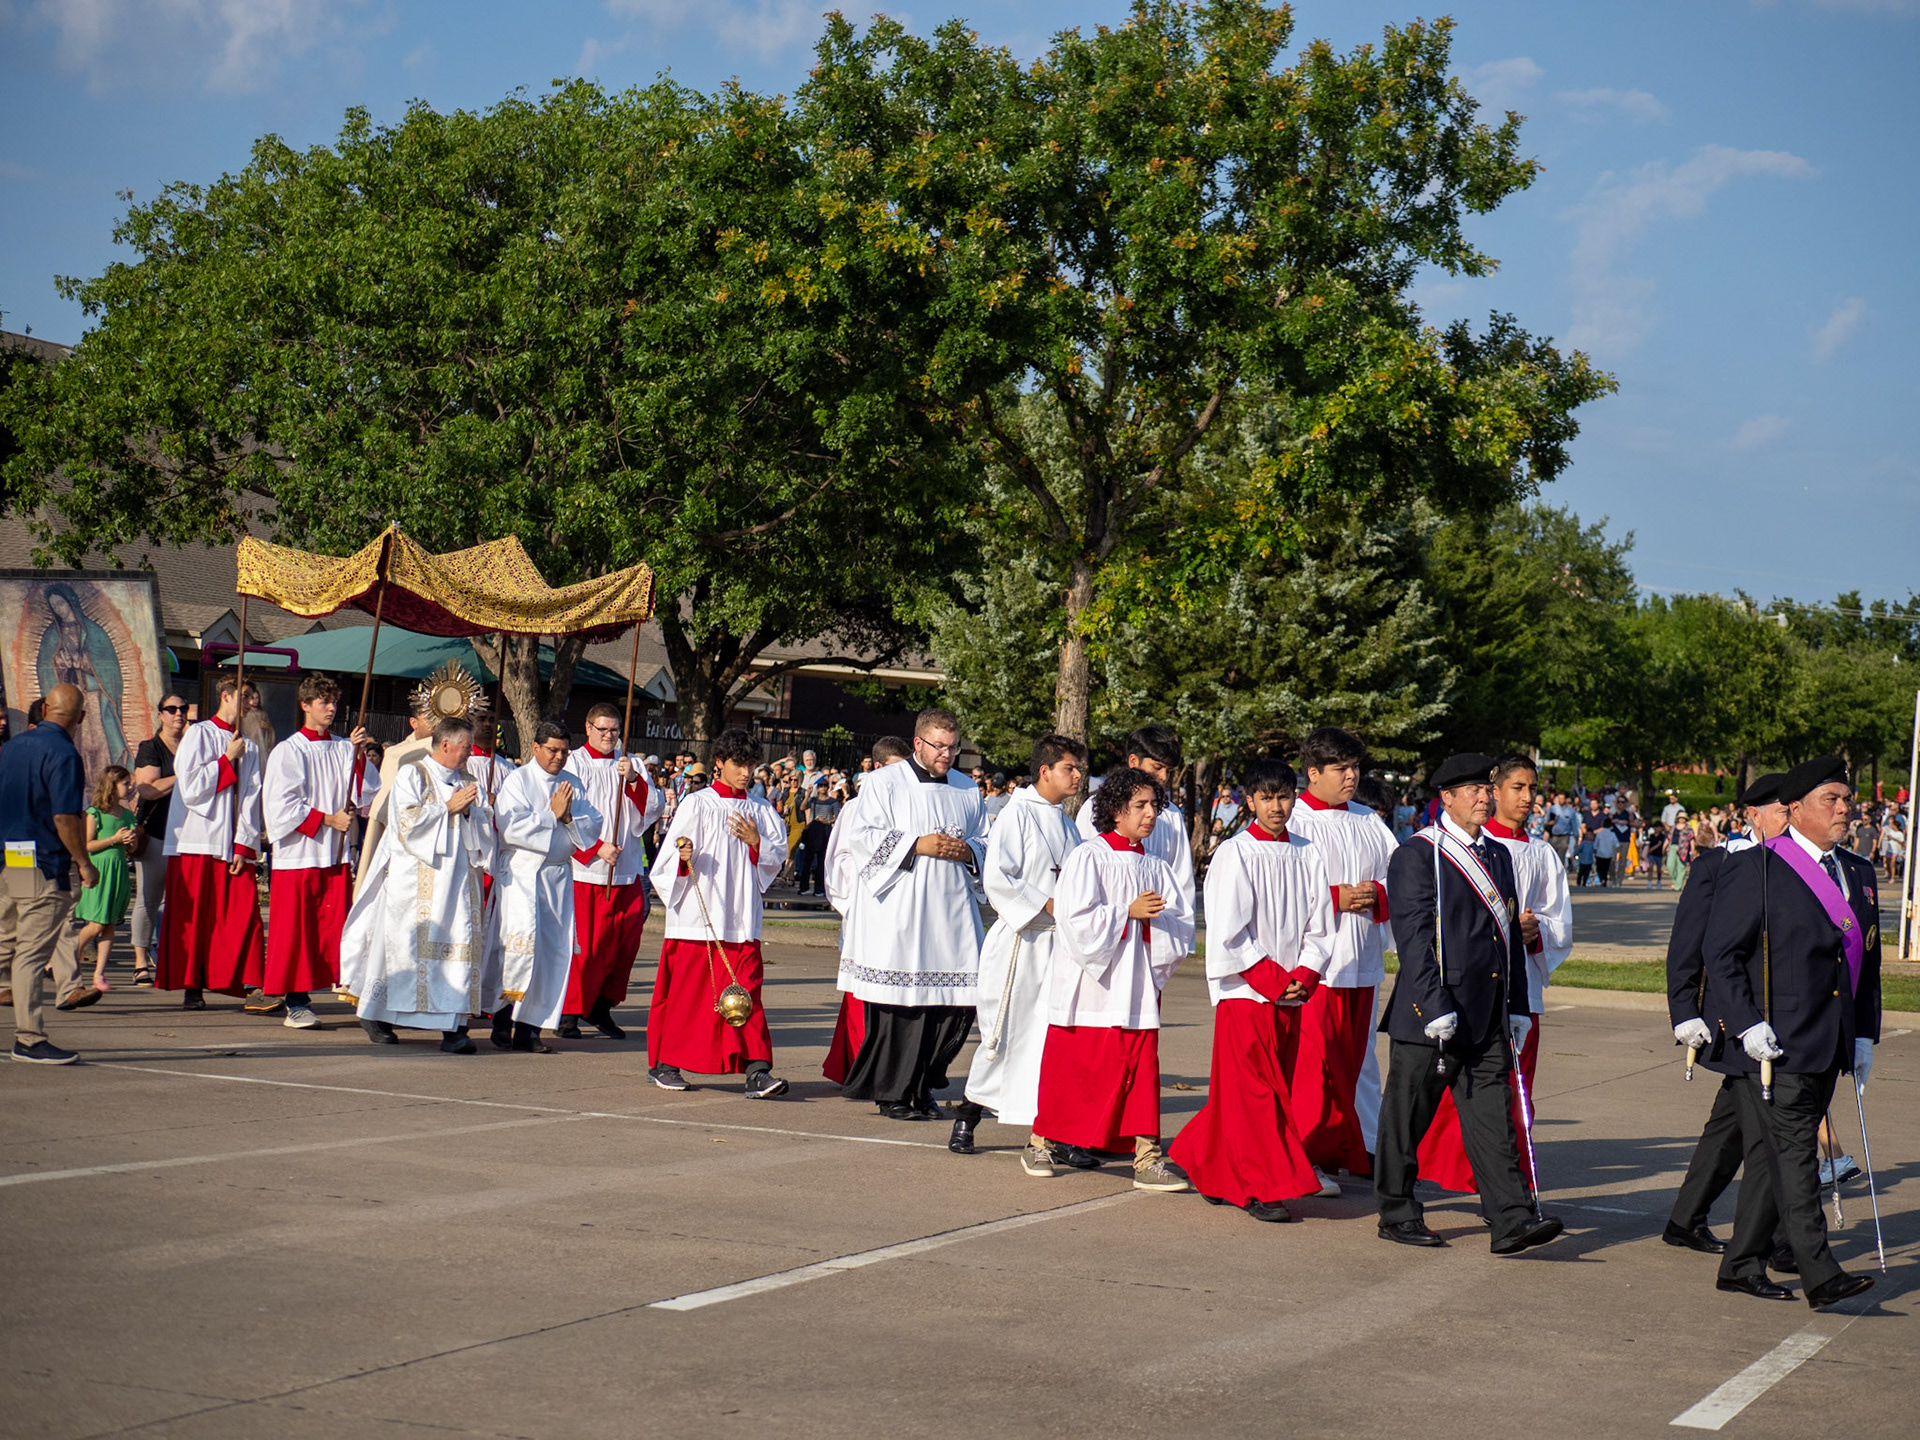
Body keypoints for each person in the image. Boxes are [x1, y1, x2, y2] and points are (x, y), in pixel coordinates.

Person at [1700, 756, 1879, 1308]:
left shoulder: (1857, 870)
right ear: (1796, 809)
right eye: (1832, 799)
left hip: (1832, 1038)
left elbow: (1866, 963)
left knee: (1777, 1160)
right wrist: (1747, 1024)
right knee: (1799, 1157)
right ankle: (1820, 1273)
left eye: (1847, 799)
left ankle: (1740, 1263)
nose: (1845, 808)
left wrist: (1866, 1033)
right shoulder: (1756, 867)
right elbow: (1721, 954)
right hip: (1775, 1043)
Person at [1374, 752, 1562, 1255]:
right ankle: (1396, 1211)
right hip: (1431, 1017)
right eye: (1472, 790)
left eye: (1486, 787)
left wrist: (1517, 1005)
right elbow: (1412, 939)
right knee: (1406, 1119)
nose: (1484, 796)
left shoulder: (1498, 855)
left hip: (1487, 1015)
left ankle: (1511, 1219)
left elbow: (1506, 941)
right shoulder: (1419, 854)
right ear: (1447, 799)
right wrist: (1434, 1005)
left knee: (1493, 1121)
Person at [1170, 759, 1333, 1220]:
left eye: (1284, 796)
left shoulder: (1308, 852)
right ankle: (1259, 1186)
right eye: (1266, 798)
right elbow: (1228, 930)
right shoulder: (1235, 853)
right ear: (1250, 801)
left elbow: (1321, 926)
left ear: (1295, 797)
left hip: (1291, 993)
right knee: (1257, 1096)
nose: (1277, 806)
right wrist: (1273, 980)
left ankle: (1205, 1161)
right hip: (1246, 993)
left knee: (1253, 1093)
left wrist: (1305, 974)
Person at [1031, 765, 1194, 1191]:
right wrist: (1126, 912)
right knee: (1074, 1068)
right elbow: (1073, 919)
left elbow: (1179, 923)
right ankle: (1040, 1141)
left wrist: (1157, 932)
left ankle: (1146, 1157)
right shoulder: (1088, 855)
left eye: (1154, 805)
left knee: (1140, 1070)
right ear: (1115, 810)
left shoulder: (1157, 866)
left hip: (1136, 985)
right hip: (1091, 985)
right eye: (1140, 805)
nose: (1150, 814)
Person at [1418, 753, 1572, 1195]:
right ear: (1494, 791)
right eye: (1516, 788)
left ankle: (1507, 1176)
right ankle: (1454, 1167)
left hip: (1520, 988)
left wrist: (1536, 930)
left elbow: (1560, 920)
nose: (1526, 798)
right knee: (1465, 1087)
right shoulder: (1463, 848)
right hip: (1469, 985)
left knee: (1515, 1087)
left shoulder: (1541, 853)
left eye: (1531, 789)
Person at [838, 708, 987, 1121]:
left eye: (953, 746)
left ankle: (923, 1085)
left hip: (952, 912)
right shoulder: (884, 782)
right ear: (918, 742)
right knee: (905, 1006)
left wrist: (970, 851)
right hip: (902, 911)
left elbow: (985, 841)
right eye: (939, 746)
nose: (947, 755)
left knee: (955, 1006)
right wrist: (916, 844)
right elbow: (863, 837)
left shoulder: (965, 789)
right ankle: (894, 1092)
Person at [1663, 773, 1787, 1257]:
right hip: (1733, 1018)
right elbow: (1688, 942)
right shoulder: (1718, 865)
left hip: (1779, 1018)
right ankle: (1778, 1239)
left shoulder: (1797, 866)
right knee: (1772, 1134)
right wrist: (1682, 1008)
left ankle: (1685, 1218)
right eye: (1781, 810)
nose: (1789, 818)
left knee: (1731, 1126)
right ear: (1753, 815)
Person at [955, 734, 1087, 1160]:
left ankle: (1056, 1131)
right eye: (1070, 768)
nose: (1078, 776)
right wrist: (1049, 903)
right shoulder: (1016, 814)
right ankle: (967, 1115)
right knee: (1005, 1035)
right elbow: (998, 878)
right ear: (1045, 771)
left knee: (1053, 1040)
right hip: (1021, 941)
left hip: (1058, 945)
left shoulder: (1067, 822)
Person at [337, 714, 496, 1052]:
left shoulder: (467, 778)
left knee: (458, 947)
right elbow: (406, 823)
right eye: (465, 747)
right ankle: (376, 1014)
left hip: (458, 882)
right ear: (445, 744)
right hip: (418, 882)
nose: (470, 753)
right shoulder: (414, 773)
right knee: (400, 951)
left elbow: (482, 826)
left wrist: (472, 814)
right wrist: (448, 808)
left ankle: (454, 1028)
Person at [645, 727, 790, 1095]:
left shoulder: (761, 810)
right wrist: (683, 859)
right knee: (689, 996)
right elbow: (667, 861)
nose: (746, 773)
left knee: (748, 994)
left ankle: (758, 1070)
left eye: (752, 766)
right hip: (699, 916)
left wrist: (757, 843)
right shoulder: (698, 804)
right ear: (720, 763)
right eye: (738, 764)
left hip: (742, 919)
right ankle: (666, 1064)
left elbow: (777, 858)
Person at [1284, 727, 1397, 1188]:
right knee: (1314, 1065)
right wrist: (1335, 896)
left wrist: (1377, 894)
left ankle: (1363, 1145)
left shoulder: (1369, 821)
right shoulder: (1293, 823)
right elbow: (1281, 891)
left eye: (1355, 768)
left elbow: (1401, 879)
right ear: (1313, 773)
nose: (1352, 777)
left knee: (1359, 1060)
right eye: (1341, 769)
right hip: (1317, 965)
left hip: (1362, 958)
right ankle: (1305, 1154)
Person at [260, 674, 374, 1030]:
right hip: (300, 855)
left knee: (332, 930)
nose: (330, 708)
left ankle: (345, 990)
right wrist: (328, 819)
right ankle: (295, 1002)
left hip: (334, 855)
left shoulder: (343, 746)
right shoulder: (288, 750)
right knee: (296, 932)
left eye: (334, 702)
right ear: (305, 705)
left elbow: (367, 793)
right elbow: (279, 805)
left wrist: (357, 758)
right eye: (323, 702)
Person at [492, 722, 603, 1053]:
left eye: (564, 751)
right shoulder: (518, 780)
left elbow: (592, 825)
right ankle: (501, 1022)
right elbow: (510, 828)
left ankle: (529, 1030)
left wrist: (568, 819)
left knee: (550, 953)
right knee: (517, 949)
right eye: (552, 750)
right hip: (523, 876)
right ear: (535, 747)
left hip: (557, 876)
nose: (559, 757)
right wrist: (550, 816)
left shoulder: (573, 783)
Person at [157, 675, 266, 1008]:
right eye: (244, 696)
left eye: (253, 698)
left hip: (231, 842)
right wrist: (226, 758)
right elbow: (190, 788)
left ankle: (252, 982)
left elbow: (252, 797)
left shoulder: (252, 744)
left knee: (244, 913)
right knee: (197, 919)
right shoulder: (199, 733)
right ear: (226, 696)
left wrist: (244, 845)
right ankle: (194, 985)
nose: (250, 703)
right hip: (197, 840)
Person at [1, 683, 96, 1063]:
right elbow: (64, 817)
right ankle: (28, 1038)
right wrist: (84, 863)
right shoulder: (64, 753)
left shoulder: (13, 746)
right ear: (82, 718)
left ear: (43, 708)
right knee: (30, 951)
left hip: (14, 856)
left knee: (7, 939)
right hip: (43, 859)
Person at [563, 703, 663, 1041]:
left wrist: (633, 780)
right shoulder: (573, 763)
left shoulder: (630, 764)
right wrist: (595, 847)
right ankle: (571, 1011)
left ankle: (602, 1006)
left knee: (623, 944)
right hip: (586, 870)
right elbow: (564, 813)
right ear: (588, 727)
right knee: (586, 947)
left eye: (614, 730)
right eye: (602, 729)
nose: (608, 736)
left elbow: (651, 810)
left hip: (626, 867)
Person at [822, 737, 912, 1085]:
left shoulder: (910, 808)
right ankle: (866, 1069)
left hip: (902, 915)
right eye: (894, 769)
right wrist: (864, 887)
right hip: (867, 911)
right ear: (876, 770)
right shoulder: (856, 808)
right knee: (862, 995)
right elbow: (839, 861)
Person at [1075, 726, 1195, 927]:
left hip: (1156, 925)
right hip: (1107, 922)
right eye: (1157, 767)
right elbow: (1085, 868)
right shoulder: (1096, 806)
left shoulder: (1172, 815)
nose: (1164, 777)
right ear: (1133, 762)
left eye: (1169, 771)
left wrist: (1177, 928)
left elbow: (1181, 878)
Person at [129, 694, 189, 985]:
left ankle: (168, 955)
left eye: (183, 708)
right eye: (172, 709)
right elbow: (148, 789)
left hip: (187, 834)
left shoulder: (192, 745)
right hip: (156, 831)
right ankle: (141, 961)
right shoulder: (151, 748)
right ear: (160, 715)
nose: (179, 713)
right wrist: (183, 775)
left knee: (177, 901)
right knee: (149, 899)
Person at [354, 685, 437, 892]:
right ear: (413, 723)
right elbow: (383, 806)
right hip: (400, 838)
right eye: (430, 717)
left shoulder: (454, 756)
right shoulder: (396, 755)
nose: (436, 723)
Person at [69, 766, 137, 1000]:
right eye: (126, 784)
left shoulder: (128, 815)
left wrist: (130, 841)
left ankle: (99, 974)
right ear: (112, 785)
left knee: (109, 925)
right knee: (96, 924)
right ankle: (67, 957)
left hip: (118, 871)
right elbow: (87, 844)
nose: (129, 788)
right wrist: (114, 838)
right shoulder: (94, 812)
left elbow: (131, 850)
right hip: (99, 870)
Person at [796, 775, 840, 896]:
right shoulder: (813, 800)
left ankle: (819, 889)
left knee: (821, 861)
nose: (822, 788)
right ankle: (804, 887)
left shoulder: (833, 802)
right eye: (820, 786)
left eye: (825, 786)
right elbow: (802, 807)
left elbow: (839, 817)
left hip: (825, 831)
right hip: (812, 830)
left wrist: (828, 821)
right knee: (807, 860)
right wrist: (808, 795)